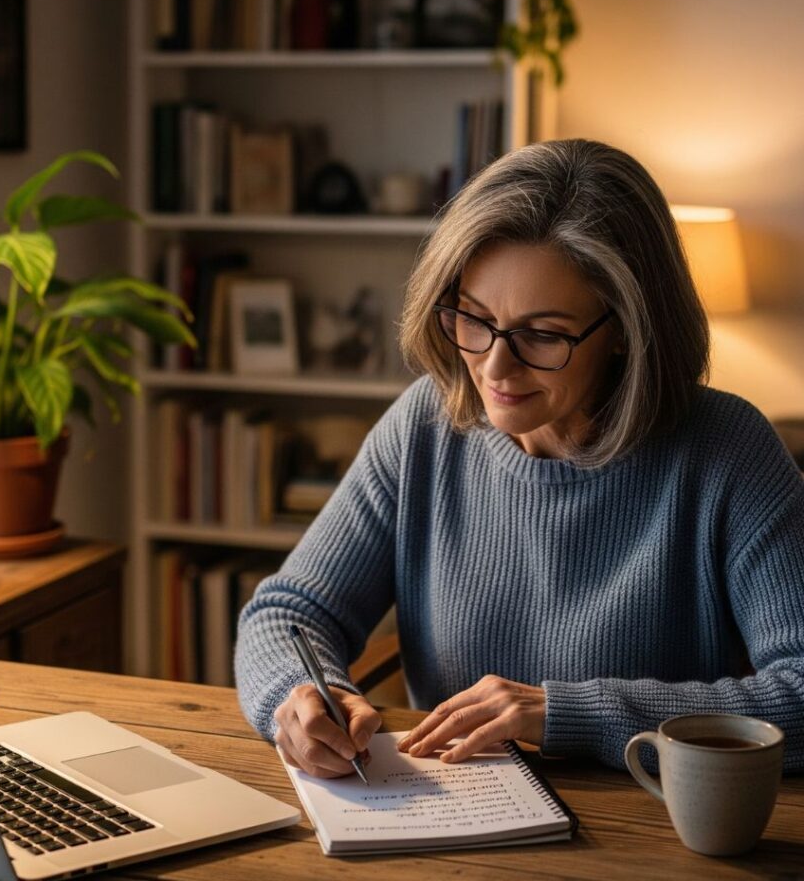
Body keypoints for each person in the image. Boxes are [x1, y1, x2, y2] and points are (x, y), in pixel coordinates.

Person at [234, 138, 804, 777]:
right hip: (457, 827)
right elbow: (287, 614)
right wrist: (297, 697)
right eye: (473, 319)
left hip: (651, 832)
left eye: (542, 334)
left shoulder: (727, 451)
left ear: (624, 330)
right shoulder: (425, 426)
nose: (494, 367)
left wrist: (569, 713)